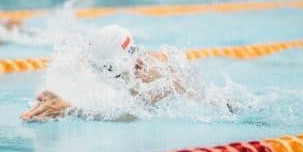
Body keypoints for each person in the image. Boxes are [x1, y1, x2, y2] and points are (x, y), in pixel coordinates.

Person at [20, 25, 192, 122]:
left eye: (111, 71)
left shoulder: (152, 75)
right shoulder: (127, 64)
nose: (106, 77)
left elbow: (128, 116)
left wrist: (70, 109)